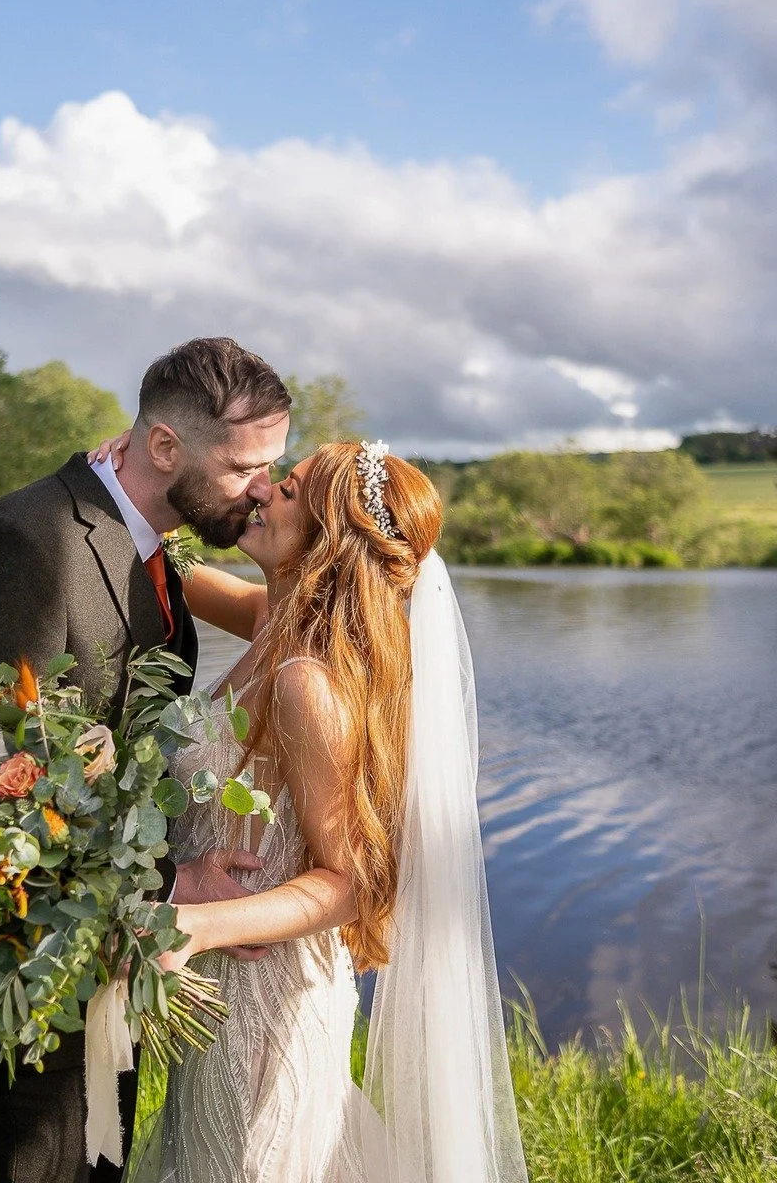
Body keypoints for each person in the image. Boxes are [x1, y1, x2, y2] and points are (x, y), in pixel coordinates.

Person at [94, 433, 529, 1183]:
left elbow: (352, 882)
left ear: (327, 540)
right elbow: (163, 565)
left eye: (286, 490)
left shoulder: (309, 683)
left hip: (267, 996)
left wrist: (195, 923)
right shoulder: (273, 618)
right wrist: (119, 479)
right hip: (227, 987)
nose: (260, 490)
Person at [0, 337, 292, 1183]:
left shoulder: (152, 546)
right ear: (165, 447)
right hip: (20, 987)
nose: (263, 486)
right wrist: (169, 889)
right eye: (245, 467)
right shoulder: (25, 543)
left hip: (100, 970)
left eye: (275, 465)